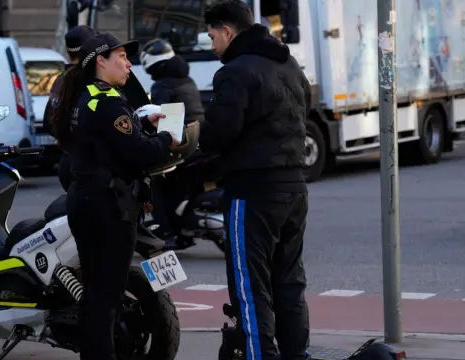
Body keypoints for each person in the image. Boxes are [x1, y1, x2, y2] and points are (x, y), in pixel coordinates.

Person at [49, 32, 179, 360]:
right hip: (109, 207)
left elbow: (109, 138)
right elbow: (140, 152)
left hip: (87, 199)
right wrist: (166, 137)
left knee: (95, 294)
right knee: (105, 298)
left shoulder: (85, 95)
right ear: (101, 62)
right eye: (121, 57)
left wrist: (139, 122)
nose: (128, 63)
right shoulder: (108, 101)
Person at [200, 1, 312, 360]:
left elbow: (220, 132)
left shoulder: (235, 71)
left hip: (253, 190)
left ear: (228, 32)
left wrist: (190, 137)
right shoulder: (288, 63)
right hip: (294, 186)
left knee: (251, 288)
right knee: (289, 283)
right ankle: (297, 355)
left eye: (212, 36)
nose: (212, 44)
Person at [139, 38, 206, 247]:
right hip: (198, 139)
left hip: (181, 142)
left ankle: (164, 233)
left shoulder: (162, 85)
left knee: (155, 181)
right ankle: (182, 228)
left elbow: (162, 117)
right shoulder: (186, 79)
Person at [43, 25, 97, 191]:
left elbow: (48, 121)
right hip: (89, 165)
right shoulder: (90, 79)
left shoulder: (61, 80)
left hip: (67, 161)